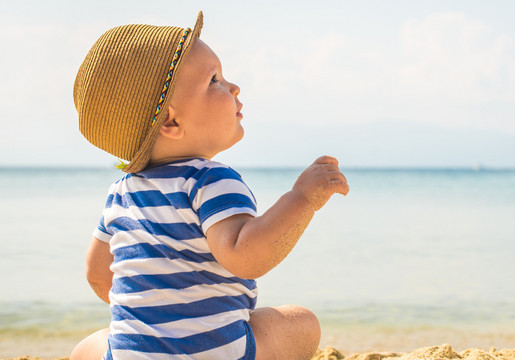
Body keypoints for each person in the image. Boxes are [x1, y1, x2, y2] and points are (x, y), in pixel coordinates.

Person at [70, 11, 349, 360]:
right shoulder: (209, 179)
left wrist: (156, 314)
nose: (233, 87)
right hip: (217, 352)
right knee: (301, 323)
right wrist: (303, 198)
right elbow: (246, 256)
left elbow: (98, 274)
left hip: (133, 355)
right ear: (171, 120)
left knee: (89, 347)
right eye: (214, 80)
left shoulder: (121, 194)